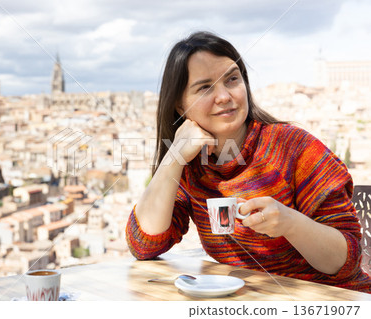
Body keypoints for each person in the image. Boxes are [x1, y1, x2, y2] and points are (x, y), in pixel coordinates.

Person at [125, 31, 371, 293]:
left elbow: (346, 261)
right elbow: (144, 245)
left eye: (232, 79)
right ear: (178, 104)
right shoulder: (190, 164)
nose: (224, 96)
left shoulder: (295, 147)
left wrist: (289, 223)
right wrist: (173, 157)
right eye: (205, 87)